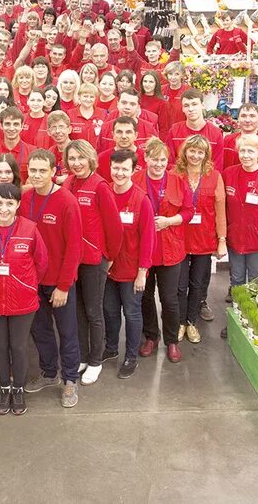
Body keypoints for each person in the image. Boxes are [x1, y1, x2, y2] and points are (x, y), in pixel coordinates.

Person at [0, 183, 49, 416]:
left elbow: (42, 262)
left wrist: (26, 283)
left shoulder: (29, 229)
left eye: (9, 203)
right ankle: (4, 387)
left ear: (18, 205)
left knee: (18, 346)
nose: (4, 209)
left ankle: (18, 388)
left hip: (22, 300)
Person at [21, 150, 83, 408]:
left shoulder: (67, 201)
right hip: (33, 281)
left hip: (58, 282)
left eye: (41, 170)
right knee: (40, 330)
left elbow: (74, 248)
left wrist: (63, 285)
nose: (36, 175)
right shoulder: (25, 199)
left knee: (67, 332)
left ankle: (69, 380)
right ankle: (49, 373)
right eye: (32, 171)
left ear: (53, 172)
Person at [63, 139, 123, 385]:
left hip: (93, 260)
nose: (76, 163)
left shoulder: (100, 186)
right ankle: (84, 356)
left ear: (90, 159)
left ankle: (96, 360)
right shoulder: (68, 183)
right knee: (77, 311)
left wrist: (108, 257)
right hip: (72, 260)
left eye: (80, 158)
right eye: (72, 158)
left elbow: (115, 228)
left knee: (93, 311)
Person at [223, 134, 258, 339]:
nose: (245, 155)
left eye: (250, 151)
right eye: (242, 151)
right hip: (235, 239)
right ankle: (237, 320)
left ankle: (253, 321)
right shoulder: (228, 174)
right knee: (236, 279)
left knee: (255, 279)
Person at [105, 149, 154, 379]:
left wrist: (142, 272)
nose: (119, 173)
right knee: (110, 311)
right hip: (107, 269)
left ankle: (131, 356)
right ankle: (112, 348)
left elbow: (148, 238)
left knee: (132, 313)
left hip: (131, 269)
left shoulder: (141, 199)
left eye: (125, 168)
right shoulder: (104, 193)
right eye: (116, 168)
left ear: (134, 170)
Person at [137, 139, 188, 363]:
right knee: (145, 297)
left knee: (170, 299)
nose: (158, 164)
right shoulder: (135, 180)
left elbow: (188, 211)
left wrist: (169, 221)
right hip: (143, 251)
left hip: (170, 249)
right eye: (154, 159)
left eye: (163, 160)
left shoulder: (177, 181)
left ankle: (171, 341)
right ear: (145, 158)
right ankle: (151, 336)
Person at [177, 135, 228, 345]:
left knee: (197, 284)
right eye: (192, 151)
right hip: (179, 238)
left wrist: (222, 239)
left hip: (204, 240)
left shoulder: (215, 176)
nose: (195, 155)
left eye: (200, 152)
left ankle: (191, 322)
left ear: (206, 155)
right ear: (185, 152)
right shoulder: (175, 174)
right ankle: (179, 322)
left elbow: (220, 210)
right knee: (179, 286)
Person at [168, 89, 224, 162]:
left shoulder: (216, 133)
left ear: (203, 105)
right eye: (186, 105)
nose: (190, 109)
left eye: (194, 104)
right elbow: (169, 163)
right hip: (179, 172)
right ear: (182, 109)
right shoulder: (174, 131)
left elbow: (217, 166)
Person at [222, 103, 258, 169]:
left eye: (252, 116)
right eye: (243, 116)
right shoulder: (228, 140)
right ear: (238, 119)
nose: (247, 120)